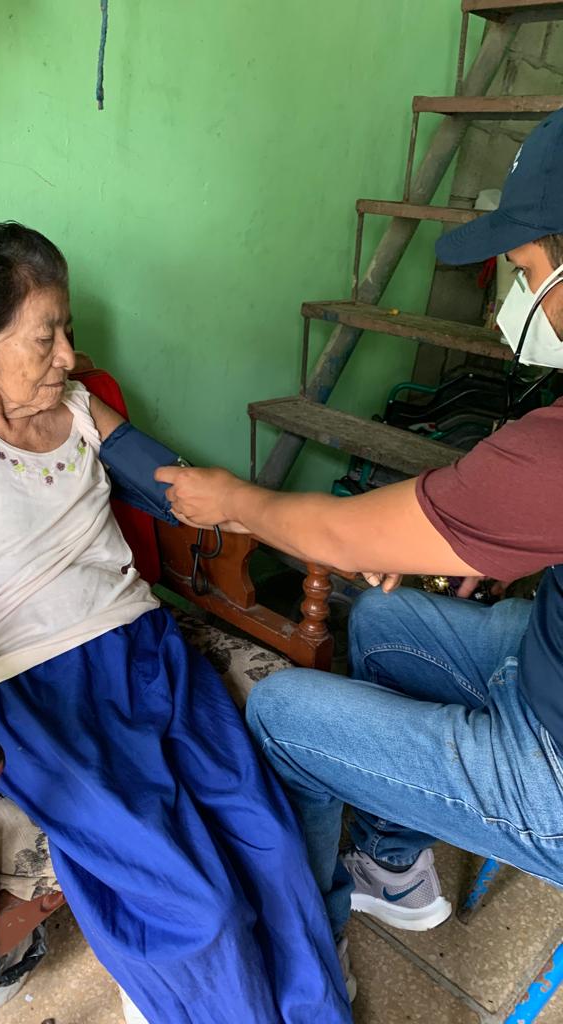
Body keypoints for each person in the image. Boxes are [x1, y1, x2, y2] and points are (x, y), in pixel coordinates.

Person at [0, 216, 352, 1024]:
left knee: (269, 839)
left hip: (144, 650)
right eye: (45, 336)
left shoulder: (81, 407)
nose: (69, 356)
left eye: (69, 331)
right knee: (196, 907)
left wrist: (320, 532)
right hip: (21, 687)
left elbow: (180, 488)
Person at [157, 107, 563, 981]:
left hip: (555, 767)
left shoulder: (553, 452)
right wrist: (496, 542)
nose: (517, 297)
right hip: (546, 662)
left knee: (282, 715)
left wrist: (234, 501)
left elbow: (340, 532)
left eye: (525, 269)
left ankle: (308, 961)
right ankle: (393, 867)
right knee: (382, 623)